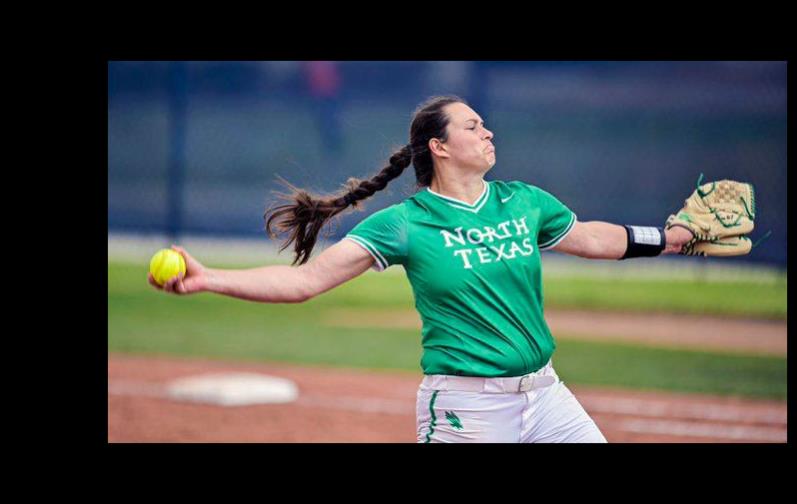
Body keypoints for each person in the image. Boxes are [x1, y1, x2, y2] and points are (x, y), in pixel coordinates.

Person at [149, 95, 704, 443]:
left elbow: (593, 238)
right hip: (468, 409)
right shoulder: (406, 223)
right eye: (472, 126)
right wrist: (210, 277)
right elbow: (304, 281)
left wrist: (671, 238)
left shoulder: (524, 201)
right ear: (439, 146)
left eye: (484, 124)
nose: (487, 132)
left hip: (548, 397)